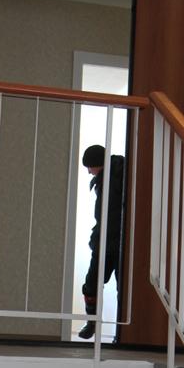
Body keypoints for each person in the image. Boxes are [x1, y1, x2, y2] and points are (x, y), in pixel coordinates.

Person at [78, 144, 125, 340]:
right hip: (106, 242)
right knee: (93, 284)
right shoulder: (110, 176)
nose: (89, 172)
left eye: (89, 167)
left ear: (98, 164)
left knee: (120, 289)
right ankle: (93, 322)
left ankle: (119, 333)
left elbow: (111, 216)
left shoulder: (116, 177)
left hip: (116, 244)